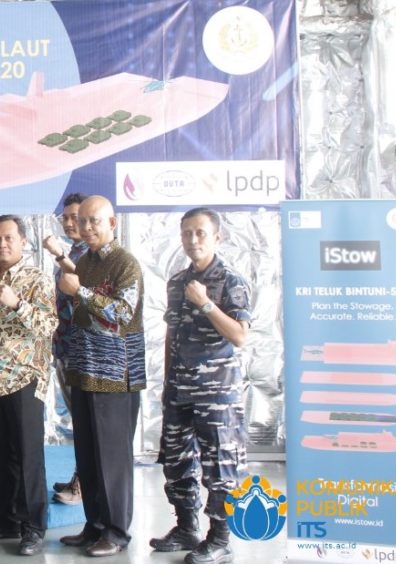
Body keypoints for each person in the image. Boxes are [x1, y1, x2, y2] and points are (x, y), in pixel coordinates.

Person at [150, 208, 251, 564]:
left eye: (200, 233)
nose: (193, 240)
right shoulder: (177, 282)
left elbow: (239, 335)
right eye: (187, 234)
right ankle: (186, 527)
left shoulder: (231, 280)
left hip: (217, 394)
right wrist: (166, 382)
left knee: (220, 466)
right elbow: (172, 332)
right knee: (176, 460)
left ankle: (220, 537)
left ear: (216, 237)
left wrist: (206, 303)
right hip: (180, 388)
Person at [0, 215, 57, 556]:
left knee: (28, 455)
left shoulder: (38, 280)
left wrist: (17, 304)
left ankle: (33, 526)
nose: (2, 244)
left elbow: (48, 326)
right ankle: (5, 519)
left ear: (23, 242)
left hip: (24, 378)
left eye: (8, 239)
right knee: (0, 455)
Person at [57, 195, 145, 557]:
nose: (88, 227)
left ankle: (117, 532)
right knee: (89, 456)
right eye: (83, 221)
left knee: (113, 460)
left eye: (96, 221)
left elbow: (122, 313)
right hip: (83, 371)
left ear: (113, 224)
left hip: (115, 376)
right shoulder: (84, 261)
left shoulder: (126, 264)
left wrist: (80, 291)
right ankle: (93, 526)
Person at [42, 193, 88, 505]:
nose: (70, 223)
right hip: (66, 349)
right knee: (79, 419)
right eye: (67, 217)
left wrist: (59, 256)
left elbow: (86, 284)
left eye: (77, 217)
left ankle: (84, 484)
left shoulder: (92, 256)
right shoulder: (76, 251)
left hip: (86, 354)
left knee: (87, 422)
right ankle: (81, 475)